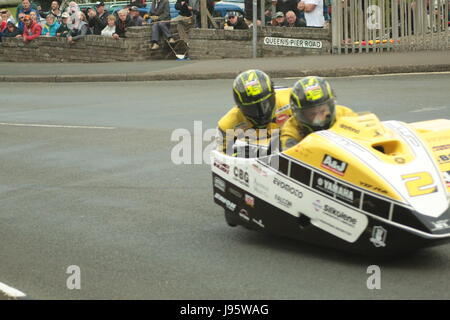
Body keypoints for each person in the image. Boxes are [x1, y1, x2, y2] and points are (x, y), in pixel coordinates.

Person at [216, 69, 292, 155]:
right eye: (251, 108)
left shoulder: (290, 100)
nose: (260, 113)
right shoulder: (227, 124)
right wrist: (240, 158)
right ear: (239, 106)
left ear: (273, 96)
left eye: (265, 105)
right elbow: (220, 156)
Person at [280, 76, 357, 151]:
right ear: (300, 114)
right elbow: (288, 152)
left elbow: (364, 136)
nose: (319, 119)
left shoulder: (346, 114)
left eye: (322, 111)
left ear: (330, 106)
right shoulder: (291, 129)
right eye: (312, 114)